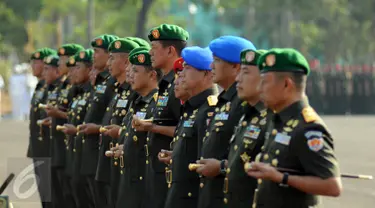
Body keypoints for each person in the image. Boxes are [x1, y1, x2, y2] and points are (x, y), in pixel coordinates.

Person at [246, 48, 342, 207]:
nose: (259, 88)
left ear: (286, 84)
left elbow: (332, 185)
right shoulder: (279, 120)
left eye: (265, 82)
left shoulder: (308, 128)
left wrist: (281, 177)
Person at [192, 36, 256, 208]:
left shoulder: (244, 103)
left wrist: (221, 167)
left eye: (217, 61)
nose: (211, 66)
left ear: (236, 67)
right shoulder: (224, 101)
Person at [132, 24, 188, 208]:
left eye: (154, 48)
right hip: (155, 174)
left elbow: (184, 130)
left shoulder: (180, 85)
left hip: (169, 176)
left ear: (171, 50)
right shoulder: (166, 84)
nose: (150, 53)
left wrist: (152, 127)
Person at [157, 46, 214, 208]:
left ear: (206, 74)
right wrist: (176, 155)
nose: (180, 73)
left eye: (187, 68)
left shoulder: (209, 110)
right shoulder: (192, 107)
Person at [93, 38, 140, 207]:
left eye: (113, 58)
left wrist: (119, 132)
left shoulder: (134, 92)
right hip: (109, 164)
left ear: (126, 61)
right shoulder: (119, 90)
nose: (108, 62)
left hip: (123, 167)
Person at [115, 48, 161, 208]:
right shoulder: (137, 101)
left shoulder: (156, 103)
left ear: (152, 75)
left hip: (143, 184)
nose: (130, 75)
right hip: (128, 180)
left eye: (136, 70)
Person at [77, 34, 118, 208]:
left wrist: (98, 129)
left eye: (97, 51)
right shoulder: (100, 80)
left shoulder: (114, 82)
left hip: (105, 153)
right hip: (91, 152)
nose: (94, 55)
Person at [45, 44, 84, 208]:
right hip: (59, 146)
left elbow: (74, 116)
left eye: (64, 60)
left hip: (71, 149)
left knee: (68, 197)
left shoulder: (76, 86)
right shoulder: (64, 85)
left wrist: (58, 114)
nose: (61, 64)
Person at [62, 49, 95, 208]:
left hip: (89, 157)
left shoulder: (94, 92)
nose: (72, 72)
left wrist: (76, 130)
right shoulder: (79, 92)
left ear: (89, 70)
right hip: (76, 152)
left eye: (77, 68)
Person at [27, 47, 56, 208]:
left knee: (51, 196)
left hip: (48, 147)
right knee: (44, 194)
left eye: (36, 63)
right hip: (38, 146)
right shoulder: (40, 86)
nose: (33, 66)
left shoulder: (52, 87)